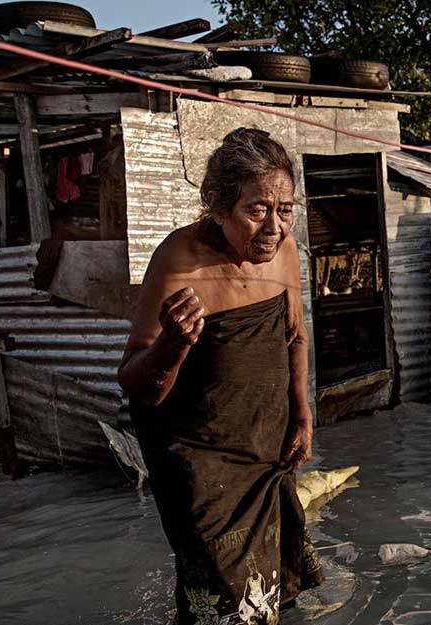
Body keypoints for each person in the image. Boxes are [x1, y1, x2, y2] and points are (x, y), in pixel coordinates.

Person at [117, 128, 321, 625]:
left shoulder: (286, 250)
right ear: (219, 206)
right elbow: (136, 385)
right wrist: (173, 344)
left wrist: (302, 414)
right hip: (199, 461)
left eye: (285, 209)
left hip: (264, 446)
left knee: (273, 590)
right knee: (221, 606)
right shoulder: (180, 261)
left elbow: (295, 335)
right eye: (257, 210)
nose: (274, 226)